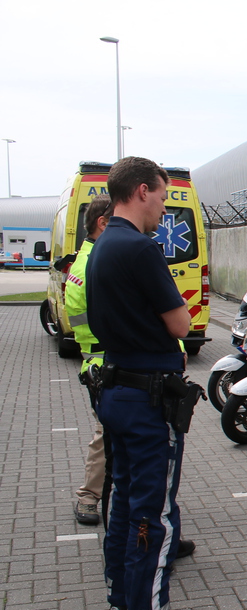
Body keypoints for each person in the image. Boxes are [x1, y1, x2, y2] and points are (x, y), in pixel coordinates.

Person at [88, 156, 213, 610]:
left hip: (117, 388)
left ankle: (123, 604)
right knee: (152, 514)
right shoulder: (140, 249)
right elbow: (182, 324)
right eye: (162, 196)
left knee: (122, 505)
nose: (164, 207)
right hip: (144, 399)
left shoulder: (101, 246)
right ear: (142, 191)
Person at [64, 195, 112, 525]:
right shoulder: (95, 264)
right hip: (104, 361)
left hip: (96, 357)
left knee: (110, 431)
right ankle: (89, 496)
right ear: (103, 224)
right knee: (107, 432)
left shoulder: (86, 260)